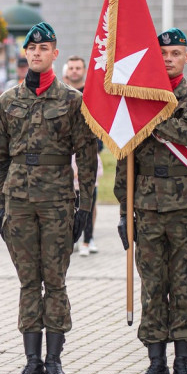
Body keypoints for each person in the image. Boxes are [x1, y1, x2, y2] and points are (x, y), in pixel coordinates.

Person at [0, 22, 98, 374]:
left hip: (56, 200)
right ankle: (31, 363)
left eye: (44, 48)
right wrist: (0, 203)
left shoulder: (72, 99)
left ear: (55, 53)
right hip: (18, 201)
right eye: (31, 48)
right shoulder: (7, 101)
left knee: (54, 281)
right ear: (25, 53)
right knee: (27, 282)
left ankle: (55, 363)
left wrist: (85, 205)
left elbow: (86, 155)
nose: (37, 53)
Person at [114, 28, 187, 374]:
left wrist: (148, 113)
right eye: (163, 54)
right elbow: (126, 159)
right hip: (148, 207)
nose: (169, 58)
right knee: (153, 287)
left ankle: (183, 367)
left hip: (186, 206)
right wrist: (125, 212)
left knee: (185, 287)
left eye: (175, 53)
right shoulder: (137, 100)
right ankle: (155, 366)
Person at [62, 55, 100, 255]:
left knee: (89, 196)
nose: (75, 71)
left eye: (78, 67)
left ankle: (89, 237)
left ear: (84, 70)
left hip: (89, 151)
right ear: (67, 71)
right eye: (72, 68)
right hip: (67, 154)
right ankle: (72, 235)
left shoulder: (93, 93)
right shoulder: (63, 94)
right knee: (70, 197)